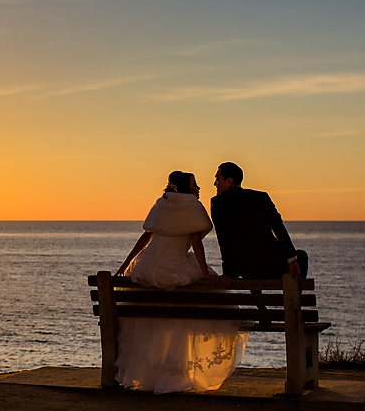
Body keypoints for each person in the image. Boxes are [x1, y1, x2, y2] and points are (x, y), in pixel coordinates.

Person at [113, 171, 249, 394]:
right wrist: (205, 272)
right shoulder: (193, 206)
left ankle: (152, 374)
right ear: (186, 187)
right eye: (194, 184)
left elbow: (146, 237)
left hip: (147, 267)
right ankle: (175, 374)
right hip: (175, 267)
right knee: (186, 315)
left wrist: (125, 265)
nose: (198, 188)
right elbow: (196, 243)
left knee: (153, 321)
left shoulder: (162, 203)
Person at [210, 162, 309, 282]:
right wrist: (291, 260)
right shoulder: (261, 197)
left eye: (217, 179)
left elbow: (224, 240)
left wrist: (228, 273)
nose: (215, 184)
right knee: (301, 255)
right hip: (271, 265)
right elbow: (279, 229)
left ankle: (257, 299)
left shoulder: (218, 203)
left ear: (229, 181)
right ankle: (294, 298)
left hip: (244, 269)